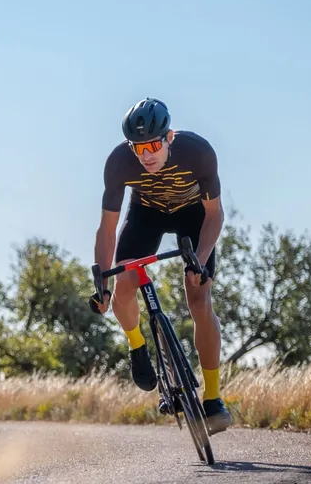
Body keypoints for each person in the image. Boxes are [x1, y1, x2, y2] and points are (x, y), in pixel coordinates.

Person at [89, 98, 233, 434]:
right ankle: (137, 345)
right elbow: (107, 229)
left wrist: (200, 258)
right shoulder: (119, 163)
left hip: (192, 215)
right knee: (124, 282)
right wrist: (102, 285)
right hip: (146, 215)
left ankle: (213, 399)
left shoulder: (198, 152)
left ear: (169, 138)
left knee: (199, 296)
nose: (146, 154)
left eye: (153, 145)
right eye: (138, 148)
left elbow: (215, 215)